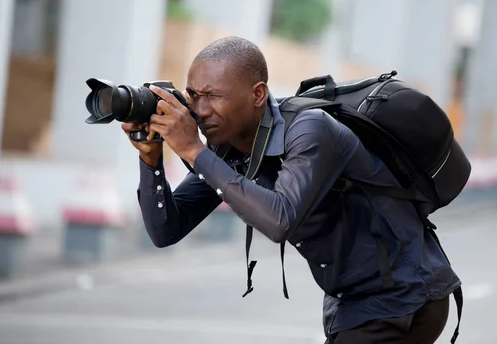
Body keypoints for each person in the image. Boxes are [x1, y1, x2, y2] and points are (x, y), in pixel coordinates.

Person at [122, 36, 461, 344]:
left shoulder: (309, 129)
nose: (200, 108)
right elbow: (166, 229)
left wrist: (194, 151)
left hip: (406, 297)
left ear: (257, 94)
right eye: (193, 95)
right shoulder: (228, 148)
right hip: (358, 303)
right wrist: (151, 160)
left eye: (213, 96)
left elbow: (279, 219)